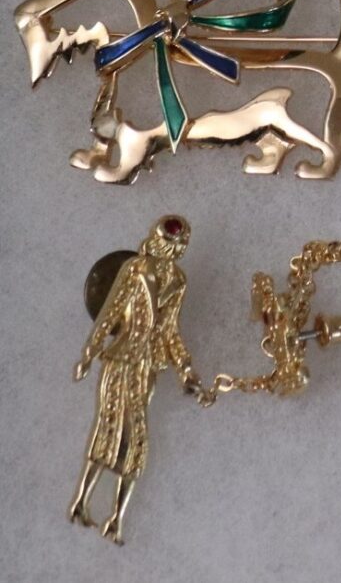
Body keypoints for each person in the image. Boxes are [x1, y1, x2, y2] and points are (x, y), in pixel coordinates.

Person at [69, 215, 213, 545]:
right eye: (172, 241)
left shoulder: (178, 280)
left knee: (135, 437)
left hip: (147, 366)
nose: (176, 248)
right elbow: (110, 312)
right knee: (108, 425)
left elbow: (170, 330)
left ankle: (115, 519)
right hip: (121, 357)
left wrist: (185, 369)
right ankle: (80, 502)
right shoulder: (135, 268)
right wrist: (89, 353)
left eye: (181, 243)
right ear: (157, 239)